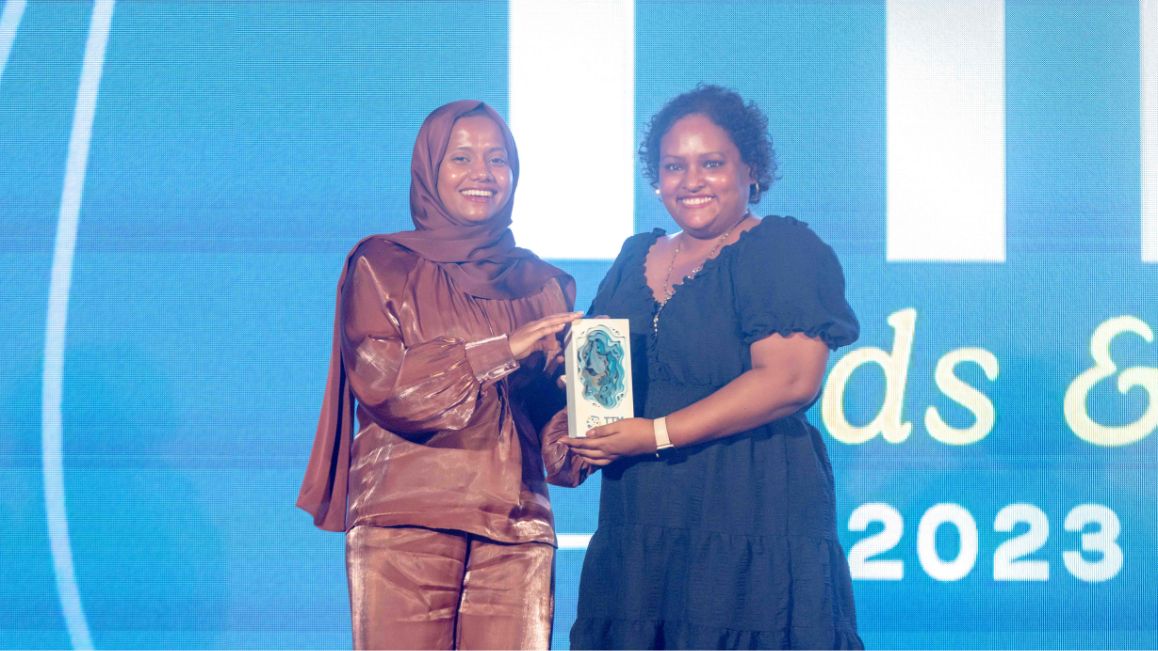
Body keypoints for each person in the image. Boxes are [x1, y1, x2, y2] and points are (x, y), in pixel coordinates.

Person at [556, 85, 864, 649]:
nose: (691, 180)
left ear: (751, 169)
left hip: (748, 503)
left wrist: (655, 434)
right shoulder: (634, 255)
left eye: (712, 163)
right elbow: (601, 372)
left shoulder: (782, 249)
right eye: (674, 166)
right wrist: (572, 383)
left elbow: (789, 381)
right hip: (641, 510)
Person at [297, 100, 582, 650]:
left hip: (517, 529)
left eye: (497, 159)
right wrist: (503, 348)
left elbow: (549, 436)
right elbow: (387, 386)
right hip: (407, 520)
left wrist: (589, 409)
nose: (482, 173)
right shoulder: (381, 264)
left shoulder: (546, 284)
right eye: (461, 158)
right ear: (429, 169)